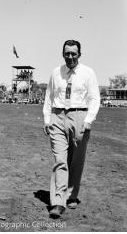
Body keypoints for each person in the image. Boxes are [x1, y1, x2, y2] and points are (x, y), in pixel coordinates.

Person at [43, 40, 100, 218]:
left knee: (76, 160)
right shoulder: (55, 72)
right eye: (67, 53)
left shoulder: (88, 73)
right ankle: (58, 202)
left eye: (73, 54)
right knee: (60, 160)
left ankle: (72, 195)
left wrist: (89, 120)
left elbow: (94, 98)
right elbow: (49, 97)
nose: (70, 57)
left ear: (79, 55)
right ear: (63, 54)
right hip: (58, 117)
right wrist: (47, 119)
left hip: (80, 117)